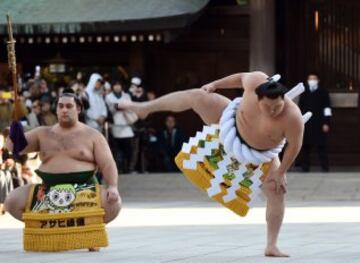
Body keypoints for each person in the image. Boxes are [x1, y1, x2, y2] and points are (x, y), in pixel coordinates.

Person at [119, 71, 306, 257]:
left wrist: (280, 172)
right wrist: (215, 84)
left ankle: (271, 245)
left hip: (262, 154)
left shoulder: (293, 118)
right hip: (230, 122)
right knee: (198, 96)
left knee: (278, 191)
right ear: (256, 97)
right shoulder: (255, 80)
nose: (273, 112)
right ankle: (145, 107)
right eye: (268, 107)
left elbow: (295, 146)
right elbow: (239, 77)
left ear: (284, 98)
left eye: (277, 107)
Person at [4, 93, 121, 225]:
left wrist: (112, 186)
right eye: (61, 106)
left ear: (78, 109)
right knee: (12, 201)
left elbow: (107, 163)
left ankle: (91, 231)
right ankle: (42, 226)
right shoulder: (42, 133)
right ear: (57, 110)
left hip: (85, 189)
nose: (64, 109)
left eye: (69, 106)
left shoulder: (93, 135)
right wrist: (13, 134)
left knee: (113, 203)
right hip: (47, 189)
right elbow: (16, 148)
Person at [299, 73, 331, 172]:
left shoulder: (323, 92)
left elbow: (327, 108)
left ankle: (325, 167)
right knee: (305, 146)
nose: (312, 80)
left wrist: (327, 122)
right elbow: (300, 108)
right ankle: (305, 167)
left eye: (314, 79)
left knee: (321, 146)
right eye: (310, 79)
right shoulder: (304, 93)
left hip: (319, 123)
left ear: (318, 80)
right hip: (306, 123)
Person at [105, 80, 135, 173]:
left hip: (126, 125)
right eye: (115, 85)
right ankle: (117, 169)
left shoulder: (127, 96)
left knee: (128, 149)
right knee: (116, 150)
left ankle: (128, 168)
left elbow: (130, 107)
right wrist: (119, 106)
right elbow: (110, 109)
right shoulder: (108, 97)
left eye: (119, 85)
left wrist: (118, 106)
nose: (117, 87)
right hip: (115, 125)